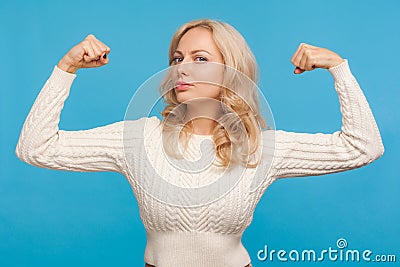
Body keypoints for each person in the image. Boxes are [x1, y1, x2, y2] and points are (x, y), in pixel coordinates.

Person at [15, 19, 384, 267]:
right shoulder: (138, 138)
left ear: (230, 70)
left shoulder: (260, 147)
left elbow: (362, 146)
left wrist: (339, 68)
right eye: (177, 58)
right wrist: (66, 68)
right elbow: (35, 148)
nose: (182, 68)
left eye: (200, 58)